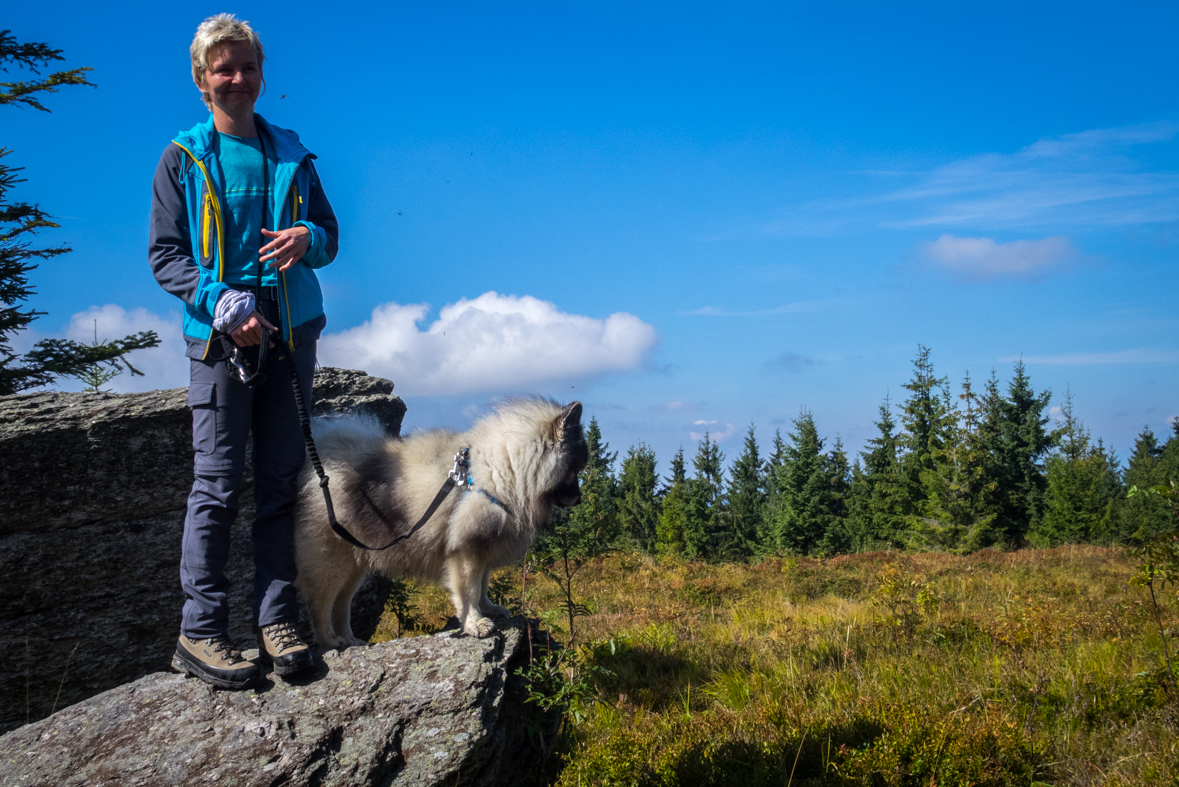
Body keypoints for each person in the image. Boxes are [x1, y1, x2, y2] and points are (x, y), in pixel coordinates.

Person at [149, 14, 339, 689]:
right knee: (218, 485)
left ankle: (276, 620)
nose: (237, 80)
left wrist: (304, 241)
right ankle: (200, 631)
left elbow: (329, 234)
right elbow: (165, 256)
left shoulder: (290, 150)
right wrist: (222, 303)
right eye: (223, 70)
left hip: (291, 333)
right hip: (219, 342)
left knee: (282, 484)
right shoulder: (183, 156)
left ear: (262, 75)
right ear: (202, 81)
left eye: (247, 68)